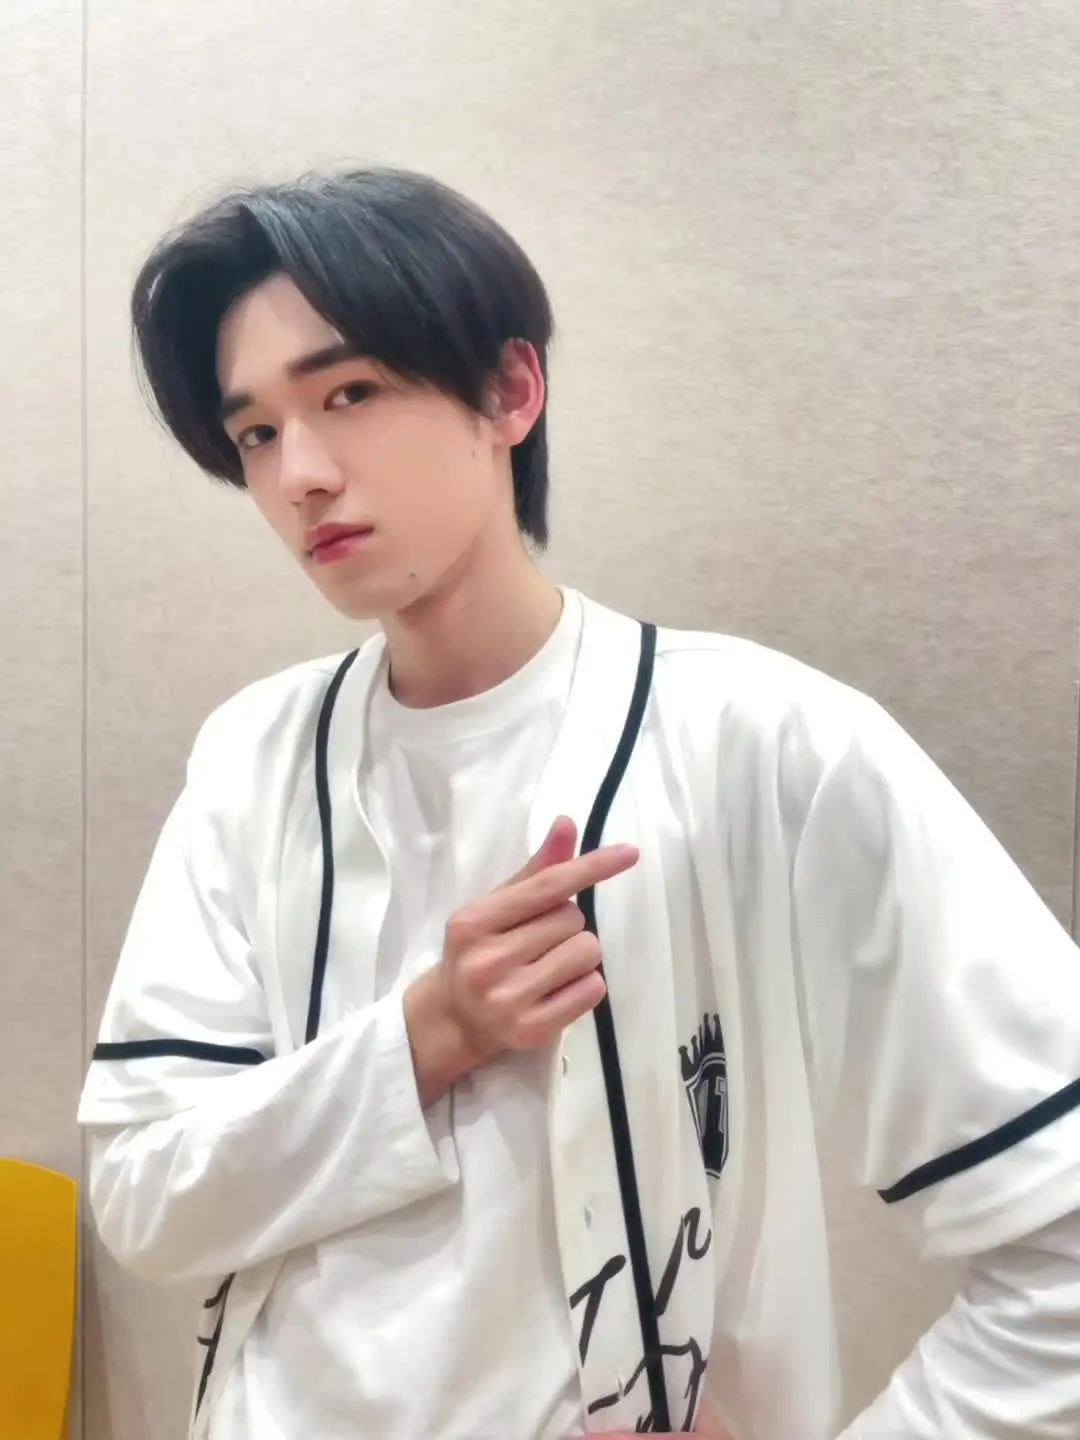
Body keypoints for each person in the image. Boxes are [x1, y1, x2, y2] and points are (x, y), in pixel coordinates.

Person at [78, 167, 1080, 1440]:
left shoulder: (767, 743)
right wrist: (429, 1034)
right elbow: (147, 1197)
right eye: (256, 434)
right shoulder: (253, 757)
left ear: (510, 390)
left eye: (350, 393)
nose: (301, 476)